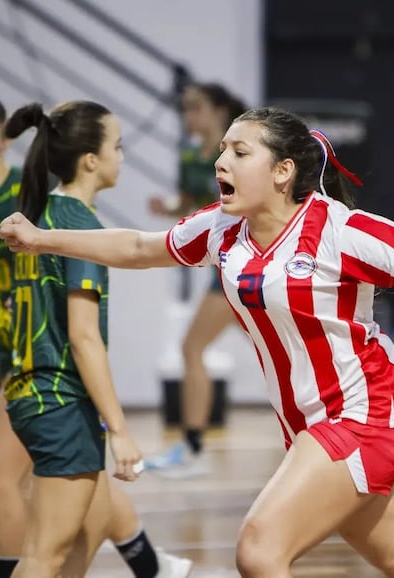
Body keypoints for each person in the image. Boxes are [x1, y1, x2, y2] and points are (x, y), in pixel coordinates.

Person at [0, 106, 394, 578]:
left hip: (365, 416)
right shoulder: (222, 229)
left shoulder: (343, 231)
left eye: (239, 152)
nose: (220, 161)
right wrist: (42, 239)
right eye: (223, 149)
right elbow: (136, 248)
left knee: (258, 549)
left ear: (282, 172)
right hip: (307, 426)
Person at [0, 93, 191, 578]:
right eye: (119, 146)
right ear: (91, 160)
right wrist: (121, 430)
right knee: (44, 554)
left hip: (27, 385)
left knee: (78, 534)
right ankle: (155, 567)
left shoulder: (38, 211)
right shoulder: (76, 224)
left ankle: (153, 566)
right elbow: (84, 338)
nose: (122, 156)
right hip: (55, 393)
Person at [146, 82, 246, 477]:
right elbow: (188, 203)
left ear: (219, 109)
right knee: (193, 348)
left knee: (196, 348)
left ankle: (192, 450)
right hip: (223, 267)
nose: (189, 116)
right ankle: (192, 448)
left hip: (251, 263)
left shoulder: (242, 148)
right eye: (185, 109)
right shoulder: (190, 157)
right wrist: (167, 207)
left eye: (196, 108)